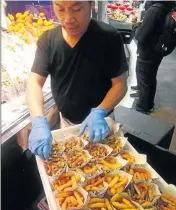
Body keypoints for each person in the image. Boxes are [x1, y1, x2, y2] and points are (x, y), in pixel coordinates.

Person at [26, 1, 128, 161]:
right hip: (66, 123)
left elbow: (120, 84)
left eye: (76, 9)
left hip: (100, 123)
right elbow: (34, 82)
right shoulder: (48, 40)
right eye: (60, 9)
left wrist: (100, 111)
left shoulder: (109, 37)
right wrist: (38, 120)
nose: (68, 18)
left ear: (91, 5)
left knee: (102, 167)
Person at [131, 1, 175, 114]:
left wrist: (135, 27)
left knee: (145, 78)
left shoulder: (155, 10)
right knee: (149, 76)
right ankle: (144, 97)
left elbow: (141, 36)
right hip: (157, 49)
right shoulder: (167, 6)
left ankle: (143, 107)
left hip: (148, 51)